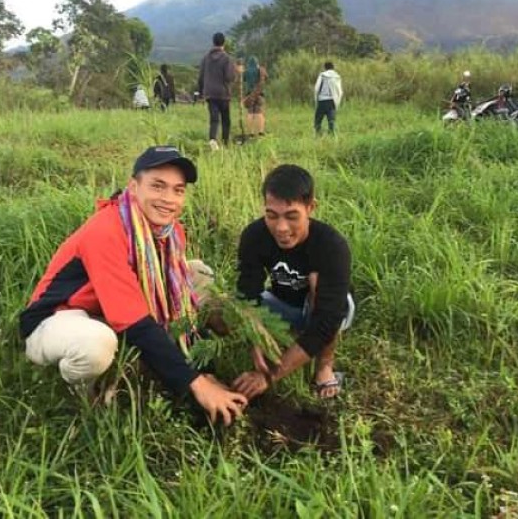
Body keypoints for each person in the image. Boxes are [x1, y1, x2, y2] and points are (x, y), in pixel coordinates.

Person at [20, 146, 247, 425]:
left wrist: (204, 369)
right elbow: (136, 322)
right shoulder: (106, 230)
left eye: (178, 190)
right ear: (134, 186)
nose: (168, 199)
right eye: (158, 187)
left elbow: (179, 302)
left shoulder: (170, 231)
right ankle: (80, 391)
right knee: (96, 345)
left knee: (197, 274)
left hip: (104, 308)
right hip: (59, 317)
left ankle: (183, 357)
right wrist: (197, 385)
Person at [232, 164, 355, 400]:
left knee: (317, 284)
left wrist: (269, 376)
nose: (281, 228)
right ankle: (289, 333)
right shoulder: (254, 236)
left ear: (310, 208)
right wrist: (254, 338)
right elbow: (248, 293)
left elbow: (327, 321)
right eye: (271, 215)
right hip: (280, 300)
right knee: (223, 309)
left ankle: (324, 367)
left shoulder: (331, 246)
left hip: (323, 308)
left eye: (291, 216)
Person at [197, 32, 236, 149]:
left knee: (214, 119)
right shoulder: (227, 58)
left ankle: (213, 139)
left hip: (210, 93)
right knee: (225, 120)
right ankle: (225, 143)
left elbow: (200, 77)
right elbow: (230, 77)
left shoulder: (206, 58)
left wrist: (201, 92)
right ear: (223, 43)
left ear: (213, 42)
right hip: (223, 93)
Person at [313, 61, 343, 135]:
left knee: (318, 120)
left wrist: (316, 99)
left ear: (325, 67)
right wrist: (337, 102)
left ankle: (318, 134)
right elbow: (340, 91)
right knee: (331, 120)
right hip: (332, 101)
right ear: (333, 67)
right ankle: (332, 135)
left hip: (322, 100)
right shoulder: (337, 76)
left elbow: (316, 88)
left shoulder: (322, 75)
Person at [242, 56, 267, 137]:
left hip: (249, 94)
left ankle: (251, 133)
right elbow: (266, 78)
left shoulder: (246, 71)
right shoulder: (260, 70)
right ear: (257, 63)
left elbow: (243, 79)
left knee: (250, 113)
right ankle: (261, 132)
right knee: (259, 112)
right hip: (259, 94)